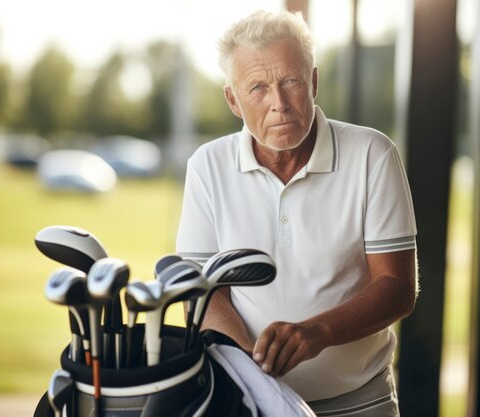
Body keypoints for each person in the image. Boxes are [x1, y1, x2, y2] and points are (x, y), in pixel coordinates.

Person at [176, 10, 418, 417]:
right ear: (233, 100)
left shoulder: (373, 154)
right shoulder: (207, 166)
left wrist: (317, 332)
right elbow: (202, 290)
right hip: (253, 402)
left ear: (314, 82)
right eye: (258, 87)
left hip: (361, 402)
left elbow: (397, 285)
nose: (280, 104)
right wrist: (252, 368)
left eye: (291, 80)